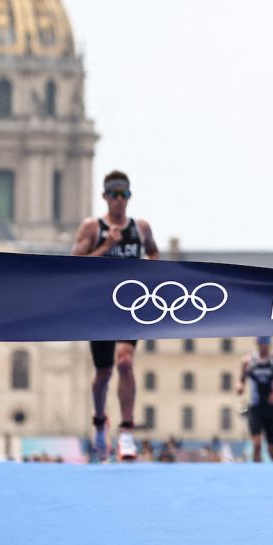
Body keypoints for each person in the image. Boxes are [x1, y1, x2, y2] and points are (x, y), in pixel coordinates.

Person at [71, 170, 159, 462]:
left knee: (124, 362)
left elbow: (155, 256)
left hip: (130, 308)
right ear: (105, 197)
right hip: (99, 309)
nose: (119, 200)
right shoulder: (91, 228)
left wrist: (151, 276)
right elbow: (73, 265)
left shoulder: (141, 228)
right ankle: (99, 422)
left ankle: (126, 433)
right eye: (114, 195)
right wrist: (106, 247)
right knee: (103, 374)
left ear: (129, 197)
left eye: (124, 195)